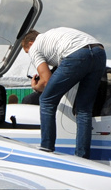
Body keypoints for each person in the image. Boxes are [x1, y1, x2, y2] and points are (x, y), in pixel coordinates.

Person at [21, 27, 106, 158]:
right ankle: (82, 156)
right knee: (83, 110)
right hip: (99, 51)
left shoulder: (34, 47)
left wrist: (36, 87)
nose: (29, 54)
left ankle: (46, 148)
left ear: (30, 44)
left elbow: (46, 80)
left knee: (46, 100)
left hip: (75, 54)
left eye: (27, 52)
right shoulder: (53, 35)